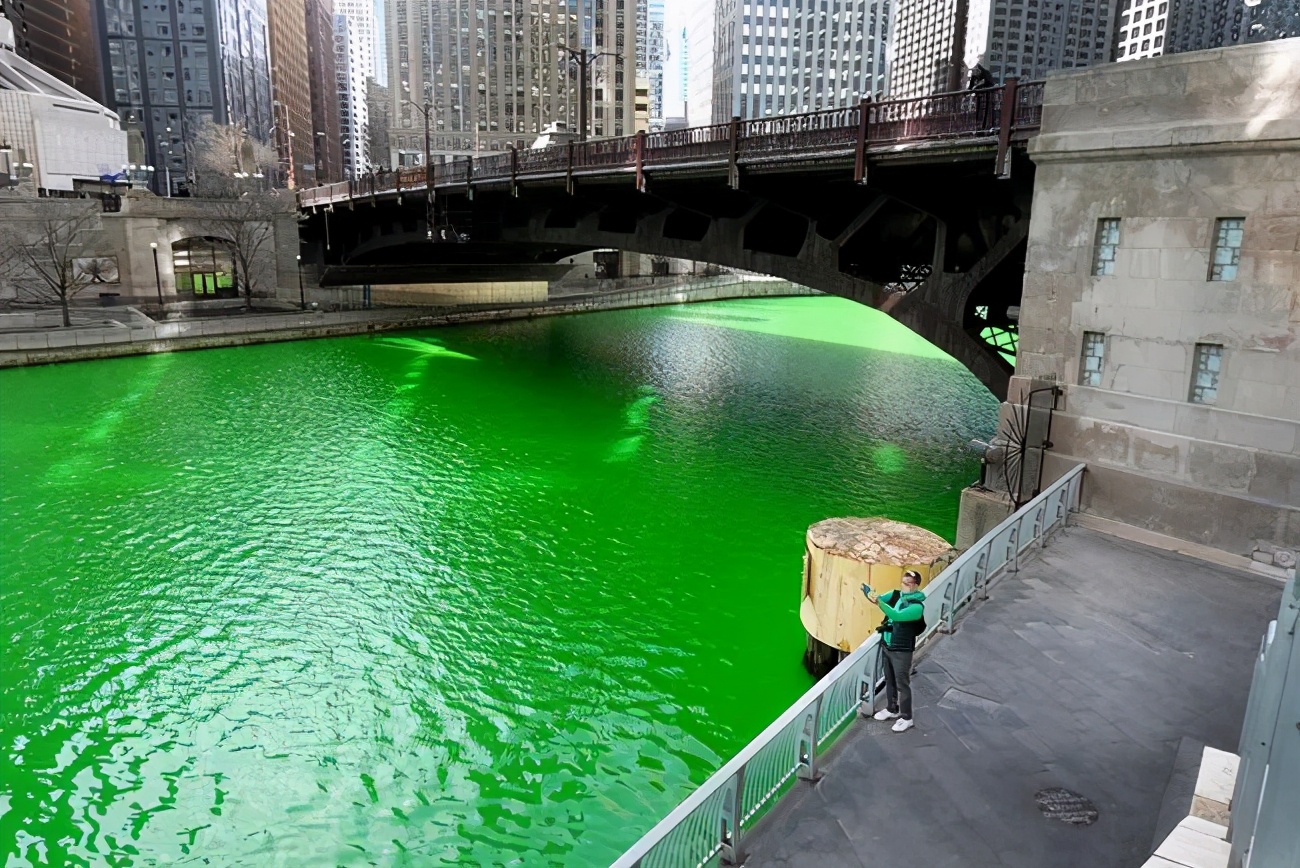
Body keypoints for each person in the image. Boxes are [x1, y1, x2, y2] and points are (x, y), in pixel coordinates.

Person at [861, 570, 927, 732]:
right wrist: (871, 595)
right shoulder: (896, 595)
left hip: (902, 649)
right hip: (887, 645)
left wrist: (879, 603)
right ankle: (892, 708)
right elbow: (880, 599)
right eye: (903, 582)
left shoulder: (917, 607)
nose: (903, 586)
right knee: (889, 679)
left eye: (907, 583)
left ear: (916, 586)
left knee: (902, 684)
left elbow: (896, 616)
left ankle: (906, 717)